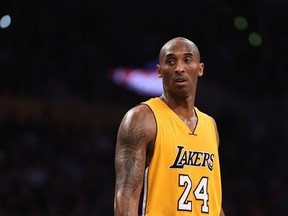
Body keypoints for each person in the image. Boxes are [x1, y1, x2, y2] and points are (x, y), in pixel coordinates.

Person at [114, 37, 225, 216]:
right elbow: (126, 196)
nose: (179, 68)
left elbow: (214, 201)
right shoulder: (141, 118)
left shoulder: (210, 126)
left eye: (187, 60)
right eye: (171, 61)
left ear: (200, 69)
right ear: (159, 71)